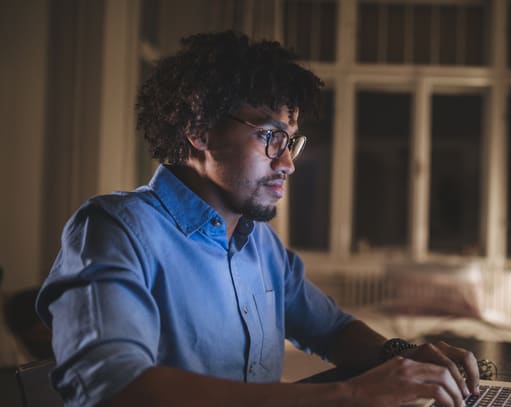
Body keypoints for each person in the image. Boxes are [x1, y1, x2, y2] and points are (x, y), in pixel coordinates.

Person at [36, 31, 481, 407]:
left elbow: (333, 329)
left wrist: (402, 356)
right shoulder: (115, 229)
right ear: (199, 129)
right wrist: (349, 395)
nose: (287, 162)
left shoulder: (260, 244)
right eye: (270, 136)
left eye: (291, 141)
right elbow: (113, 386)